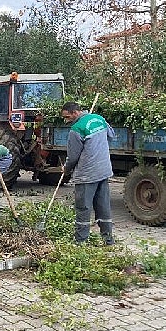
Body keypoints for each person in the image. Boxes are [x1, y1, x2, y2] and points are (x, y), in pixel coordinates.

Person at [60, 102, 115, 245]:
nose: (66, 120)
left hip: (87, 174)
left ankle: (80, 242)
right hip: (103, 170)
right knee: (103, 206)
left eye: (67, 117)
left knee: (83, 208)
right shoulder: (99, 119)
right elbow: (111, 136)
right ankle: (108, 239)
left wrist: (66, 169)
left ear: (75, 113)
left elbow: (72, 157)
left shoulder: (76, 129)